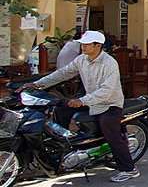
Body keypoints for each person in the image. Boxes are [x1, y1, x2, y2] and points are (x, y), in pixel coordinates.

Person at [20, 31, 139, 183]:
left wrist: (82, 101)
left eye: (87, 44)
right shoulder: (82, 59)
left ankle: (129, 169)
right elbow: (63, 73)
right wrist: (38, 84)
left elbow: (107, 91)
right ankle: (62, 147)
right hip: (89, 100)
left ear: (98, 46)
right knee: (61, 108)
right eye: (82, 44)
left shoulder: (109, 63)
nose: (83, 47)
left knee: (110, 131)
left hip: (109, 104)